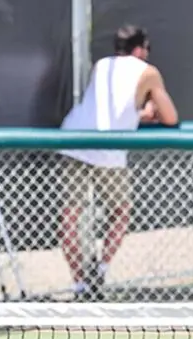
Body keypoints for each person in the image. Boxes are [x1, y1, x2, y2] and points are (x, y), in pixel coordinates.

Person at [58, 24, 178, 301]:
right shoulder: (148, 72)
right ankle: (99, 270)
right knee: (121, 212)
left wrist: (140, 112)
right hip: (108, 151)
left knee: (70, 218)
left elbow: (113, 106)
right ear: (139, 49)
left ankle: (81, 284)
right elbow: (170, 117)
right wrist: (149, 109)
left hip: (74, 140)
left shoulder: (102, 65)